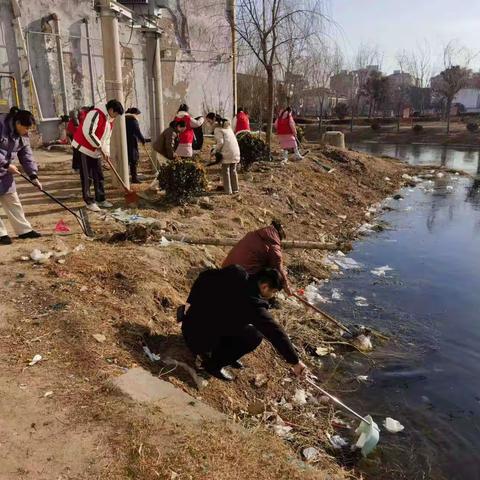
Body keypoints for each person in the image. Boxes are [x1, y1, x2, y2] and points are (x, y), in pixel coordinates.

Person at [180, 265, 306, 381]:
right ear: (264, 286)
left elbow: (204, 276)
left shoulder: (235, 272)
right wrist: (295, 361)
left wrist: (190, 302)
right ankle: (213, 365)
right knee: (255, 335)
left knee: (232, 321)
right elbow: (275, 332)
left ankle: (224, 355)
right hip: (199, 342)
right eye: (272, 292)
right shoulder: (254, 305)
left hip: (188, 325)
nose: (271, 296)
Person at [72, 99, 124, 212]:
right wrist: (99, 146)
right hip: (84, 148)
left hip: (96, 151)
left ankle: (101, 199)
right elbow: (88, 132)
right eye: (115, 113)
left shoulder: (110, 121)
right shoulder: (95, 113)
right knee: (87, 177)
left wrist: (106, 152)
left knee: (99, 176)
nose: (115, 116)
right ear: (111, 109)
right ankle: (89, 202)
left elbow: (107, 139)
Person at [0, 107, 42, 245]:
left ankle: (24, 230)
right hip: (4, 166)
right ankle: (1, 234)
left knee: (12, 199)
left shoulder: (22, 134)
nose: (27, 132)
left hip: (4, 171)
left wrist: (33, 175)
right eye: (26, 128)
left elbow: (26, 154)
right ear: (18, 123)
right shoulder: (1, 125)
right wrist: (6, 164)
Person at [222, 220, 292, 295]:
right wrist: (286, 285)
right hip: (240, 277)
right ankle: (264, 297)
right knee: (276, 277)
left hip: (225, 269)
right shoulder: (273, 245)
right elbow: (278, 267)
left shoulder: (253, 235)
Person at [206, 113, 240, 195]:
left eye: (209, 121)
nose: (208, 123)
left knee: (226, 170)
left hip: (227, 151)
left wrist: (214, 151)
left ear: (213, 119)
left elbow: (220, 142)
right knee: (233, 170)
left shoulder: (218, 129)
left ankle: (228, 190)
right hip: (235, 150)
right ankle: (235, 189)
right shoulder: (227, 125)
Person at [125, 107, 146, 184]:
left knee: (126, 160)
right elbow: (138, 132)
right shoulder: (133, 121)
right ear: (134, 114)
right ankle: (134, 178)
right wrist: (143, 140)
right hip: (132, 143)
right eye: (137, 114)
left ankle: (126, 177)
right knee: (134, 160)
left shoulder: (123, 120)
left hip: (123, 143)